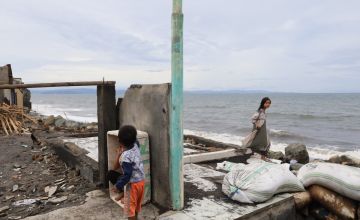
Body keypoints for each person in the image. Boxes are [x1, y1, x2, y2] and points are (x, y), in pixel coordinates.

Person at [107, 125, 145, 220]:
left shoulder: (125, 157)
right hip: (141, 182)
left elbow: (127, 175)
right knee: (135, 206)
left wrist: (118, 186)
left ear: (120, 141)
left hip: (132, 185)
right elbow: (134, 139)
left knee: (129, 210)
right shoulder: (136, 145)